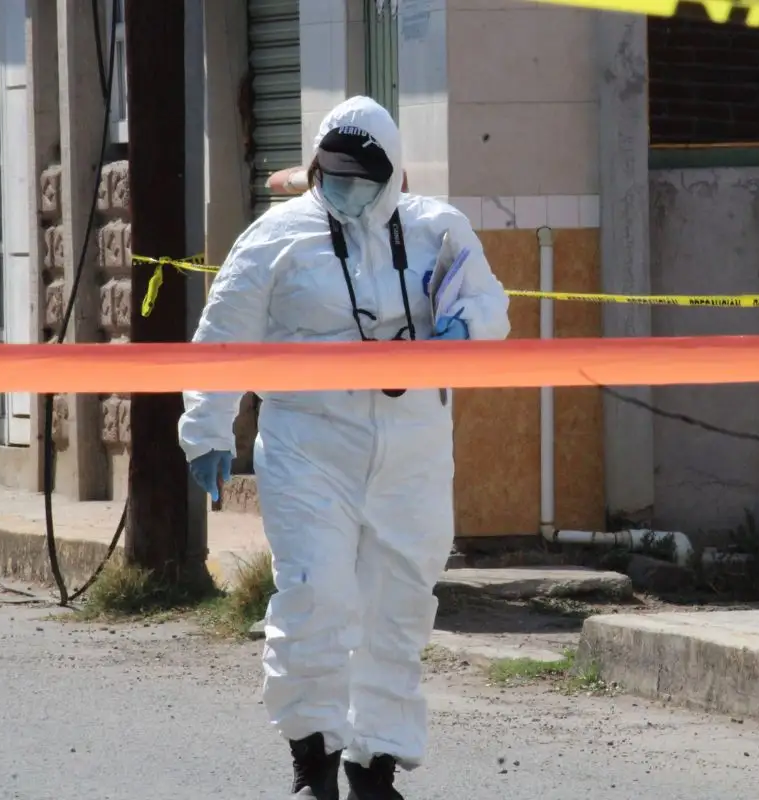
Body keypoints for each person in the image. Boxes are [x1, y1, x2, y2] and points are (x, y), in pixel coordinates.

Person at [178, 96, 511, 800]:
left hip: (412, 450)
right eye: (332, 173)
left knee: (398, 607)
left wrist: (460, 335)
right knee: (317, 597)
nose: (346, 187)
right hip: (309, 448)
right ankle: (314, 759)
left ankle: (374, 763)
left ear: (392, 175)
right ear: (313, 169)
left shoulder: (437, 231)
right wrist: (206, 428)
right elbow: (224, 332)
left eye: (362, 175)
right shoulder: (276, 236)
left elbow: (488, 308)